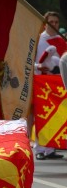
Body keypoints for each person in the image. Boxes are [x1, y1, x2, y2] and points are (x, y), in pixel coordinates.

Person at [33, 11, 66, 160]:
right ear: (45, 23)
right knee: (41, 116)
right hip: (41, 83)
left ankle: (51, 149)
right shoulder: (38, 39)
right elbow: (30, 61)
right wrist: (38, 66)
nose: (54, 25)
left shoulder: (61, 40)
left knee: (55, 116)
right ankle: (40, 148)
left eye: (56, 22)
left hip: (57, 83)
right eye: (51, 22)